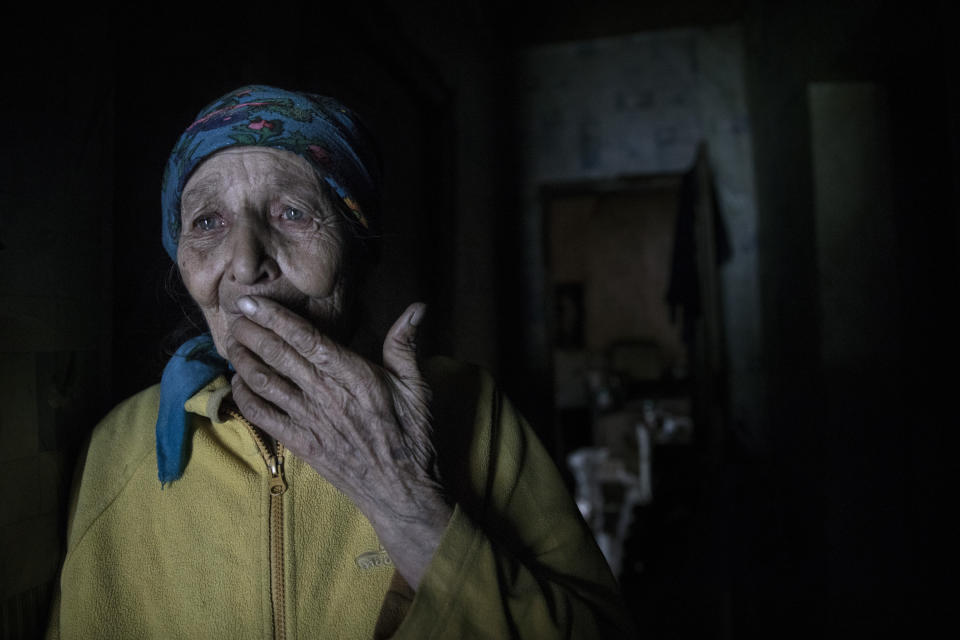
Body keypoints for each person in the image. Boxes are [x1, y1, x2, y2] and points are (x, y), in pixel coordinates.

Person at [46, 86, 633, 639]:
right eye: (208, 222)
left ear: (357, 245)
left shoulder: (472, 409)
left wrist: (400, 496)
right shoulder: (120, 446)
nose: (246, 263)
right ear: (183, 262)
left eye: (293, 213)